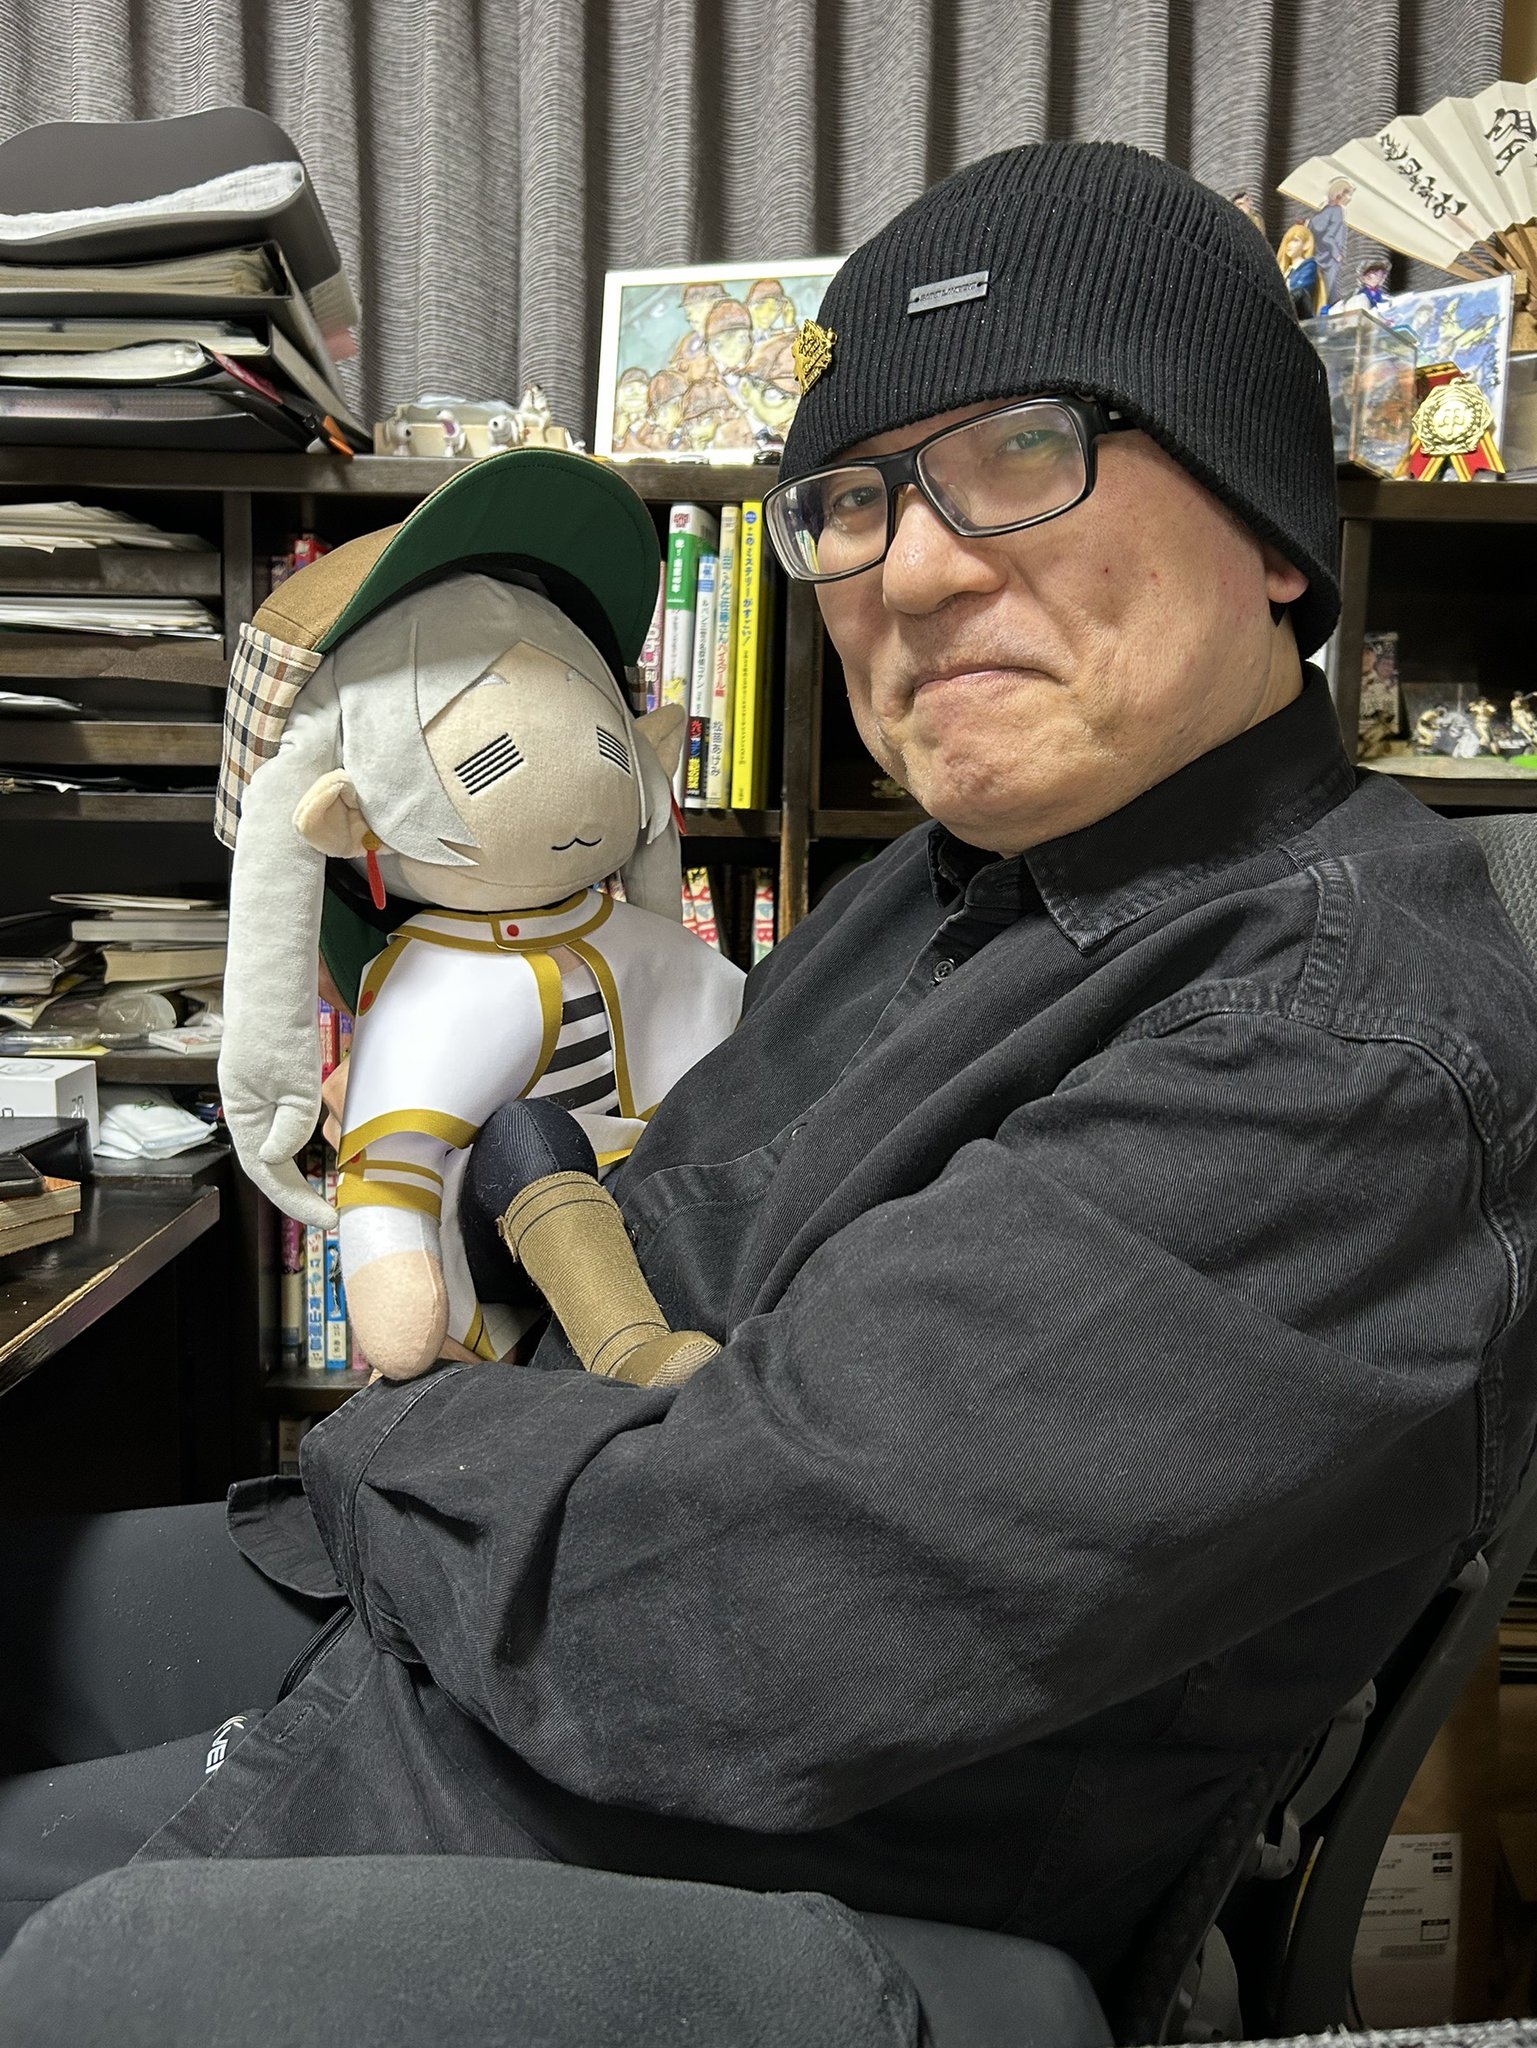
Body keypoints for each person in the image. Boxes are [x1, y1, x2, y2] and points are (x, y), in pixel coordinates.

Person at [4, 139, 1537, 2023]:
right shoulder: (949, 880)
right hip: (499, 1621)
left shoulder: (1330, 1051)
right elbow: (663, 1251)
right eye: (850, 501)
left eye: (1022, 451)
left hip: (708, 1844)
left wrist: (406, 1429)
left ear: (1271, 528)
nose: (917, 569)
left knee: (57, 1957)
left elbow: (719, 1624)